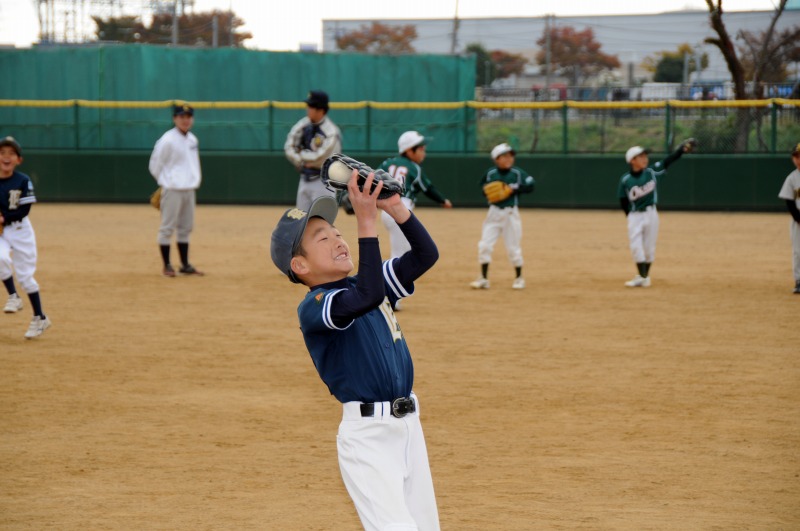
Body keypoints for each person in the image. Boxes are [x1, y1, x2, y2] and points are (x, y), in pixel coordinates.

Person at [270, 169, 441, 531]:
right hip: (369, 440)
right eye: (322, 238)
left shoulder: (366, 284)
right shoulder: (316, 305)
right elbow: (367, 296)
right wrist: (367, 223)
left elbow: (426, 255)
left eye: (337, 231)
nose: (337, 239)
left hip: (409, 428)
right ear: (299, 266)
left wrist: (395, 208)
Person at [617, 139, 694, 287]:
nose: (645, 159)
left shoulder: (652, 173)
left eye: (645, 156)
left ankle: (644, 276)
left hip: (651, 214)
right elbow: (622, 199)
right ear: (632, 161)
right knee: (636, 246)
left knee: (649, 248)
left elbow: (667, 162)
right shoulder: (626, 180)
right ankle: (642, 276)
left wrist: (681, 151)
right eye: (641, 157)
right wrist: (630, 216)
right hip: (635, 215)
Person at [0, 136, 51, 339]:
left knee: (25, 276)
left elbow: (24, 210)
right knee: (0, 258)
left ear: (18, 160)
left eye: (11, 153)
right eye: (2, 153)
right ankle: (13, 295)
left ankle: (40, 317)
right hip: (1, 230)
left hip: (20, 230)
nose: (6, 157)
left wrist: (3, 219)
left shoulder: (22, 180)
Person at [378, 131, 453, 261]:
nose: (424, 152)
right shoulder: (414, 168)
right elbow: (428, 189)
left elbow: (373, 178)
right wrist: (442, 200)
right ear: (409, 151)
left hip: (386, 210)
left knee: (406, 250)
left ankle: (400, 280)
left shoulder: (387, 163)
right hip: (401, 208)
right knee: (399, 256)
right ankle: (390, 280)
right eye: (421, 148)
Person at [470, 143, 535, 290]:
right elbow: (483, 189)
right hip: (493, 213)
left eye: (511, 155)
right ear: (496, 158)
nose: (509, 158)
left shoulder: (517, 173)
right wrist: (492, 192)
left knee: (513, 248)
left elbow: (531, 185)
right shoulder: (491, 173)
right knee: (484, 245)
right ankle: (483, 279)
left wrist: (514, 189)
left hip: (511, 213)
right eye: (505, 156)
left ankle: (519, 278)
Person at [149, 104, 204, 277]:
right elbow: (154, 165)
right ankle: (167, 265)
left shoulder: (192, 139)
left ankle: (185, 265)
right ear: (174, 118)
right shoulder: (167, 140)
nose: (185, 120)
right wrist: (165, 182)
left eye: (188, 117)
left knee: (185, 228)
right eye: (181, 117)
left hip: (189, 189)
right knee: (167, 227)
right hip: (172, 189)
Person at [284, 90, 342, 210]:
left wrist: (301, 154)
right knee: (300, 221)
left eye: (311, 106)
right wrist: (301, 161)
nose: (308, 109)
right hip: (305, 179)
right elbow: (288, 146)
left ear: (320, 110)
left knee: (322, 223)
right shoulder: (303, 124)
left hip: (324, 182)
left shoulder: (331, 131)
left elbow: (321, 158)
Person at [778, 142, 800, 294]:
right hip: (799, 222)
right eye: (796, 156)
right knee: (798, 251)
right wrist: (798, 218)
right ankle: (799, 280)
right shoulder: (792, 178)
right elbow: (789, 201)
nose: (798, 159)